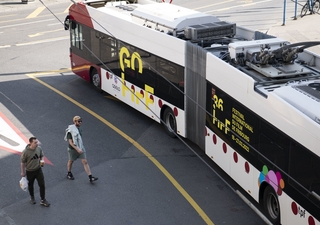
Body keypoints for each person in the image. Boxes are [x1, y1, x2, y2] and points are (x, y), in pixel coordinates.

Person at [64, 116, 98, 183]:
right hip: (73, 149)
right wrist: (77, 149)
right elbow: (70, 142)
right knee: (71, 161)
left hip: (80, 147)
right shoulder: (70, 130)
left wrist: (80, 147)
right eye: (79, 121)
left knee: (85, 161)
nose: (80, 123)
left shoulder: (79, 129)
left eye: (81, 121)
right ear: (74, 122)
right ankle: (69, 173)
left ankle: (90, 177)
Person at [20, 137, 50, 207]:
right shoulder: (25, 152)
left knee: (42, 184)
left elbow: (42, 155)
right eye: (35, 142)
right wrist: (23, 172)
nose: (37, 143)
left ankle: (43, 199)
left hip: (38, 170)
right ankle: (32, 197)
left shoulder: (38, 148)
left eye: (37, 142)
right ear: (30, 143)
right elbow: (22, 162)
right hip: (30, 171)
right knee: (31, 185)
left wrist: (42, 160)